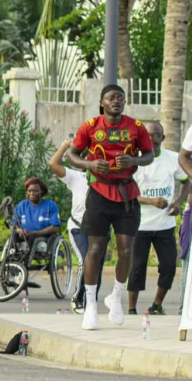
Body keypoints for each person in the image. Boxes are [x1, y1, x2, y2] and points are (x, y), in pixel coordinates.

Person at [66, 83, 155, 330]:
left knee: (126, 250)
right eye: (111, 97)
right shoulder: (90, 126)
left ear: (125, 102)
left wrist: (134, 160)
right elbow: (72, 155)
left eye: (120, 97)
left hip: (127, 194)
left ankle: (115, 297)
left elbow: (150, 155)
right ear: (102, 103)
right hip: (99, 193)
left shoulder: (136, 127)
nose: (116, 101)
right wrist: (90, 165)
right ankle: (90, 305)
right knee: (95, 250)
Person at [128, 120, 187, 316]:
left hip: (165, 224)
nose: (152, 138)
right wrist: (151, 201)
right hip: (140, 224)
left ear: (163, 138)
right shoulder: (135, 161)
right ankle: (131, 309)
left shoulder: (173, 159)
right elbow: (128, 193)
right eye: (148, 135)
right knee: (137, 268)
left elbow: (186, 181)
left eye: (156, 135)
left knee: (169, 266)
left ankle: (156, 305)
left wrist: (178, 203)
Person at [48, 137, 91, 312]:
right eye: (88, 158)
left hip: (98, 228)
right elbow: (53, 164)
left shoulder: (106, 180)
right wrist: (65, 145)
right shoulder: (76, 177)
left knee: (96, 264)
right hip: (78, 227)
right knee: (85, 260)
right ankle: (78, 298)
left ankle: (91, 299)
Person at [13, 177, 61, 252]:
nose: (32, 193)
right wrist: (20, 231)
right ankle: (11, 256)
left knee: (32, 237)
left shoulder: (50, 205)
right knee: (14, 234)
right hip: (24, 235)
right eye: (29, 191)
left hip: (42, 236)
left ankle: (27, 258)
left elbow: (55, 227)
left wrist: (35, 233)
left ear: (41, 191)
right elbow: (14, 225)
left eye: (35, 191)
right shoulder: (21, 206)